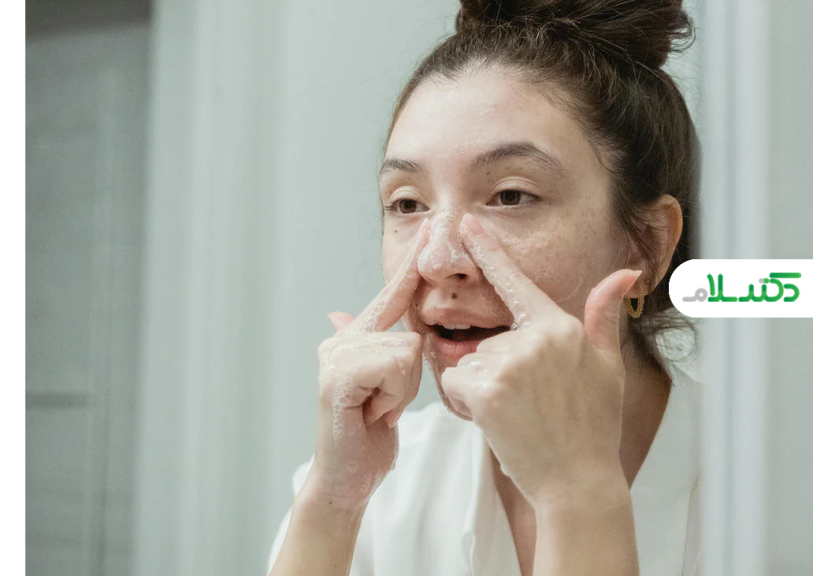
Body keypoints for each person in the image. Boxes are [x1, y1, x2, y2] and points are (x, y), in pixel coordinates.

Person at [267, 0, 701, 575]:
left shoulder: (781, 486)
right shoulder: (378, 495)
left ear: (646, 244)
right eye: (407, 204)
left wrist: (579, 495)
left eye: (511, 196)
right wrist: (333, 503)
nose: (438, 259)